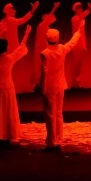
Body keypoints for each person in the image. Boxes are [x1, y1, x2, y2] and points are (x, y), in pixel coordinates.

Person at [39, 22, 82, 151]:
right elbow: (72, 42)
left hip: (49, 87)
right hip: (60, 85)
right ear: (57, 38)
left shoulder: (45, 53)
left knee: (50, 114)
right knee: (58, 113)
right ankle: (58, 138)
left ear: (47, 39)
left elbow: (44, 72)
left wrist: (42, 87)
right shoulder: (62, 49)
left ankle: (52, 142)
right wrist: (79, 31)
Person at [0, 26, 30, 145]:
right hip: (8, 89)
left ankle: (1, 135)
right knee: (9, 112)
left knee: (0, 113)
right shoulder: (9, 58)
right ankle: (8, 134)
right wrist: (27, 34)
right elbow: (21, 48)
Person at [32, 2, 60, 90]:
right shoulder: (42, 25)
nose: (48, 17)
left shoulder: (45, 26)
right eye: (46, 16)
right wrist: (55, 7)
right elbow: (50, 16)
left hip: (42, 47)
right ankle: (39, 85)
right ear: (43, 17)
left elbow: (51, 18)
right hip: (40, 48)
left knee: (43, 67)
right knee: (40, 67)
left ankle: (41, 84)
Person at [68, 1, 91, 89]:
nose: (80, 10)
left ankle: (77, 82)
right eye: (78, 9)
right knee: (76, 64)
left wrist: (84, 45)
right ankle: (74, 83)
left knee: (79, 64)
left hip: (81, 43)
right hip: (76, 44)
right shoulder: (74, 18)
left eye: (81, 9)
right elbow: (82, 16)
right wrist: (89, 9)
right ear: (75, 10)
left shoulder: (81, 19)